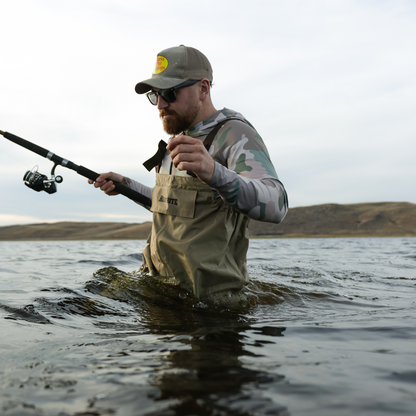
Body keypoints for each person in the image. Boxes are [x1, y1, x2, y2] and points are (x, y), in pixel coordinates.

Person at [90, 45, 288, 299]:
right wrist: (126, 185)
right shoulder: (180, 138)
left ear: (203, 89)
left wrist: (214, 172)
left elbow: (277, 204)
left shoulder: (235, 134)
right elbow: (173, 205)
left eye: (170, 93)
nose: (160, 104)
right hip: (161, 290)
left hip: (210, 306)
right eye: (155, 95)